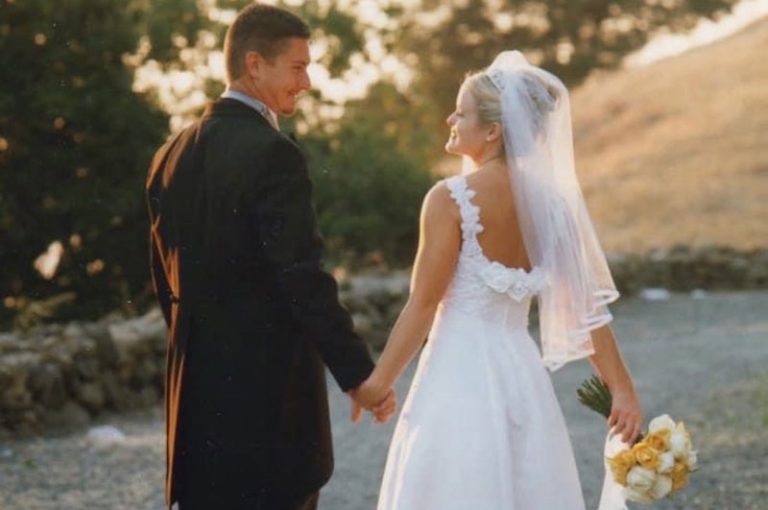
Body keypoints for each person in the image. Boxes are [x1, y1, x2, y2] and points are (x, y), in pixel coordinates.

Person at [356, 51, 644, 509]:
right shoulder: (553, 207)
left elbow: (423, 305)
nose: (451, 118)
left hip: (458, 374)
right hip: (520, 374)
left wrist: (378, 384)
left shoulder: (448, 199)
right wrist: (622, 390)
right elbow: (586, 312)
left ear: (493, 130)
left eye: (462, 112)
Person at [145, 4, 394, 510]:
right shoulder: (273, 153)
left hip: (195, 415)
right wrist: (359, 377)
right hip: (269, 417)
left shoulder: (170, 154)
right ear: (254, 64)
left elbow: (164, 284)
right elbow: (302, 278)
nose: (307, 82)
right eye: (298, 67)